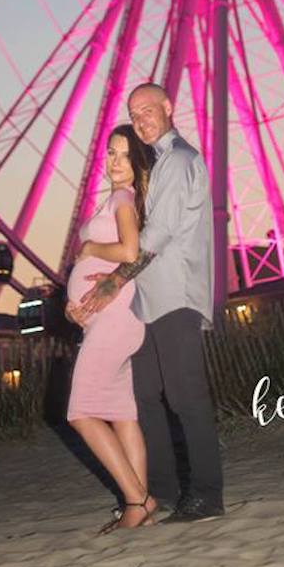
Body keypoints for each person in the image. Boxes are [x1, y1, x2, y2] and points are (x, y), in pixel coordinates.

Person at [73, 82, 224, 523]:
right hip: (148, 300)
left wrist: (113, 279)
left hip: (175, 294)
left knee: (186, 396)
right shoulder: (154, 167)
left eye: (147, 111)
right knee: (144, 397)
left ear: (169, 108)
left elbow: (156, 236)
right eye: (133, 113)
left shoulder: (177, 161)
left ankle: (207, 494)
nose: (140, 120)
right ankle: (162, 489)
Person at [65, 124, 158, 532]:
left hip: (117, 317)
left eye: (124, 154)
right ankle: (140, 504)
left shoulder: (123, 197)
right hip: (107, 317)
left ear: (139, 162)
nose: (115, 162)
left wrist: (88, 250)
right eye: (110, 153)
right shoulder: (118, 198)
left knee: (81, 411)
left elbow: (129, 251)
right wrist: (74, 308)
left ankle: (137, 499)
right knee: (122, 414)